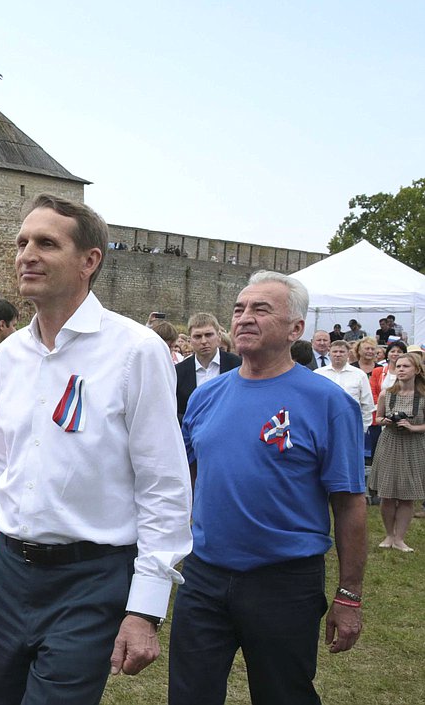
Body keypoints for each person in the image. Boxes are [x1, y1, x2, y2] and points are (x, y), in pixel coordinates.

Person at [0, 194, 192, 704]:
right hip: (9, 572)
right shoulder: (12, 356)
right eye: (22, 242)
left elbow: (164, 486)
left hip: (90, 578)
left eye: (46, 243)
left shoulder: (134, 351)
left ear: (89, 261)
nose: (26, 254)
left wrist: (144, 609)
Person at [171, 270, 367, 704]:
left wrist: (349, 594)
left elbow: (350, 502)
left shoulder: (329, 402)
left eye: (261, 309)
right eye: (239, 309)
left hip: (284, 583)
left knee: (284, 694)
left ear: (296, 328)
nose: (244, 318)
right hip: (204, 576)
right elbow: (188, 477)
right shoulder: (205, 397)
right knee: (189, 695)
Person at [371, 352, 425, 552]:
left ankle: (400, 538)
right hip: (390, 443)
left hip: (414, 445)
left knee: (407, 495)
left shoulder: (423, 395)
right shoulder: (387, 394)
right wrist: (385, 420)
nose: (401, 370)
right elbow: (377, 418)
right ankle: (389, 535)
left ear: (417, 370)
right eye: (399, 366)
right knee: (387, 493)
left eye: (406, 366)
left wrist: (412, 427)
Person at [175, 312, 242, 423]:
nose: (204, 341)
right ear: (190, 340)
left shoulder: (237, 365)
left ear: (219, 336)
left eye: (209, 335)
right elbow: (174, 410)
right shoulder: (179, 372)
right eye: (197, 336)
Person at [314, 339, 375, 430]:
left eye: (342, 352)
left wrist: (363, 428)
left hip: (350, 425)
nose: (338, 354)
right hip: (323, 424)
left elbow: (367, 404)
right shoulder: (318, 374)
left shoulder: (359, 374)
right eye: (335, 351)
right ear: (329, 353)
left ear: (348, 353)